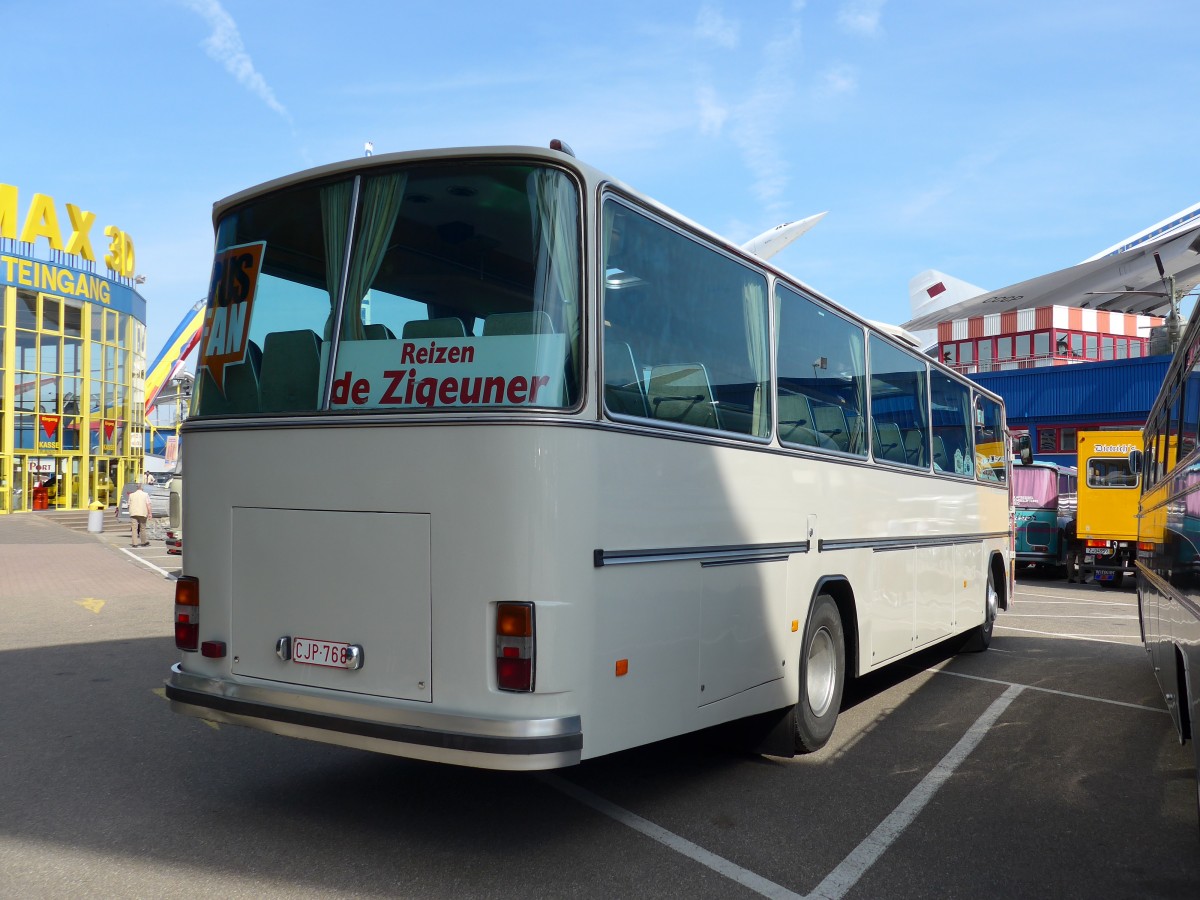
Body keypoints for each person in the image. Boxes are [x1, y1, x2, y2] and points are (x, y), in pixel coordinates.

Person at [127, 479, 153, 548]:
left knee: (134, 528)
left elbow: (129, 504)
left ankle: (134, 543)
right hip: (142, 513)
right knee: (142, 528)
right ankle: (143, 542)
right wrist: (150, 513)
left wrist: (130, 511)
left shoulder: (131, 495)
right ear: (142, 488)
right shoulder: (145, 495)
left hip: (133, 513)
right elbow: (148, 505)